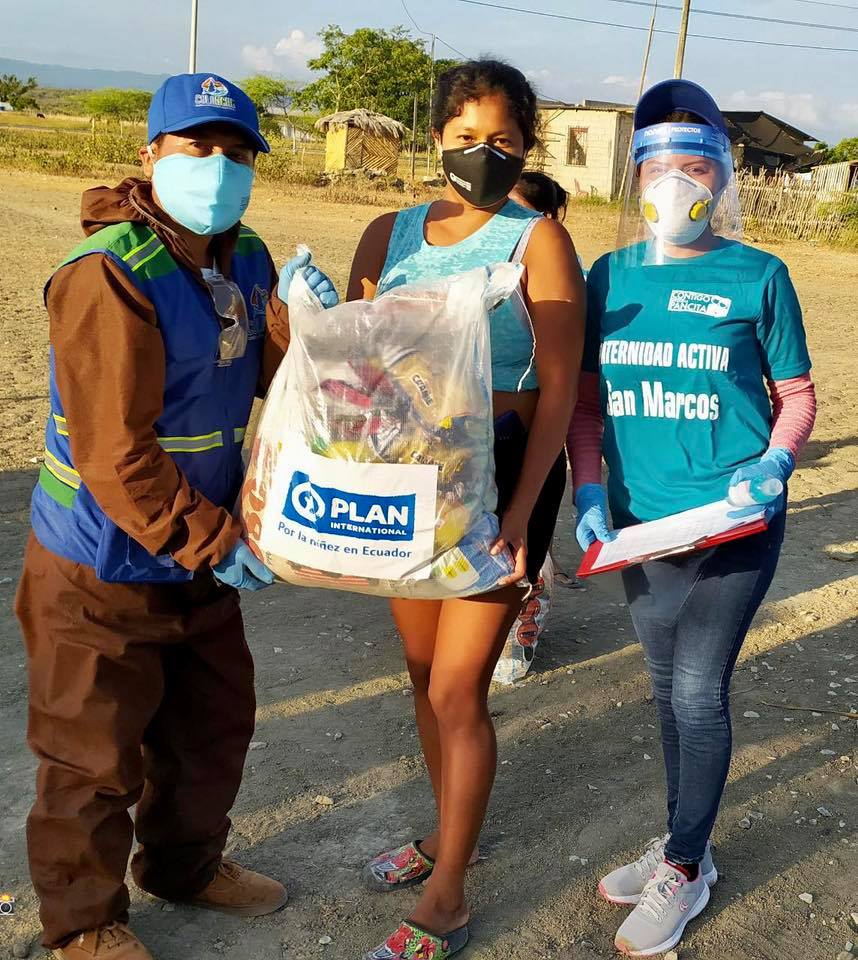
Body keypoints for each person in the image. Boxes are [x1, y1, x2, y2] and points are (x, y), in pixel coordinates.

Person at [15, 72, 337, 960]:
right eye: (198, 147)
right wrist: (216, 541)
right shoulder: (108, 274)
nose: (219, 167)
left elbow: (267, 381)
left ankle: (184, 868)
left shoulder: (245, 258)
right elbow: (116, 453)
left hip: (196, 560)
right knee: (91, 757)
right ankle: (84, 924)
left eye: (238, 153)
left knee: (211, 731)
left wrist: (298, 326)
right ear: (152, 154)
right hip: (100, 566)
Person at [567, 79, 816, 956]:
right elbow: (586, 407)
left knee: (698, 692)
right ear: (635, 176)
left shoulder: (759, 275)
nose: (676, 182)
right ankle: (687, 842)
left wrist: (775, 464)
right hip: (641, 528)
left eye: (696, 166)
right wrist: (588, 492)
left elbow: (796, 396)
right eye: (658, 167)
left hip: (734, 525)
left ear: (722, 176)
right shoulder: (610, 278)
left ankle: (683, 865)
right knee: (666, 687)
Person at [347, 60, 585, 958]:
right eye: (465, 137)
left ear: (526, 146)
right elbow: (358, 364)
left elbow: (559, 391)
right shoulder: (389, 233)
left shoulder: (539, 241)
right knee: (420, 674)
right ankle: (452, 833)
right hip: (409, 479)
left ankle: (446, 896)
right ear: (436, 138)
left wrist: (523, 516)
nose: (483, 153)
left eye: (503, 140)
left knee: (457, 688)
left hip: (502, 478)